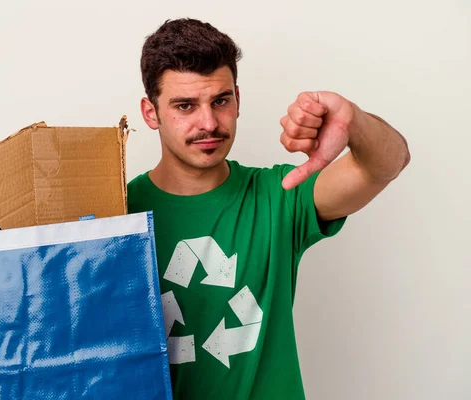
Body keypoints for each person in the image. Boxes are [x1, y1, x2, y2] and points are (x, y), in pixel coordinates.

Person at [127, 18, 410, 400]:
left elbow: (386, 164)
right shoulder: (119, 217)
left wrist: (353, 120)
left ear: (238, 101)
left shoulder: (279, 195)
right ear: (150, 113)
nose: (208, 122)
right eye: (185, 106)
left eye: (221, 101)